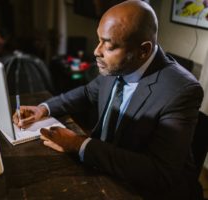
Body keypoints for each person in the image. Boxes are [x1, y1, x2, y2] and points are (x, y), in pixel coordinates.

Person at [13, 1, 204, 199]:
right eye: (99, 40)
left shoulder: (181, 90)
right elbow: (87, 92)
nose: (97, 51)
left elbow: (160, 173)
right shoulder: (119, 65)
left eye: (109, 46)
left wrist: (79, 144)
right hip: (104, 167)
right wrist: (43, 109)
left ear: (143, 51)